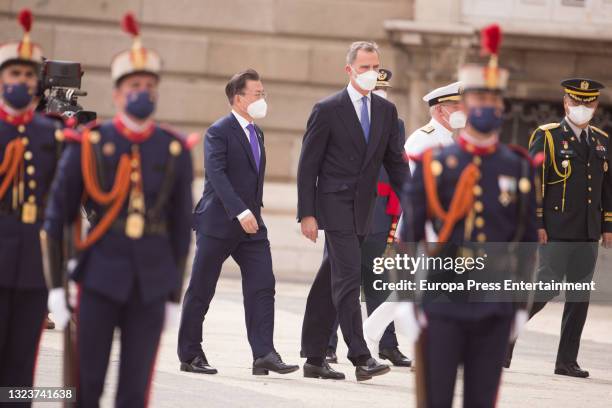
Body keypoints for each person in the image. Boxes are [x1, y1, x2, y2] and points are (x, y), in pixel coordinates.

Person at [43, 13, 194, 407]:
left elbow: (180, 229)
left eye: (148, 85)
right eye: (133, 85)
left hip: (150, 286)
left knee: (134, 390)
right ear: (116, 94)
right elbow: (59, 216)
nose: (141, 92)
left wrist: (174, 295)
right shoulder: (90, 144)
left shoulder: (173, 149)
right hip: (98, 281)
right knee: (85, 386)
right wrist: (57, 287)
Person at [401, 24, 537, 407]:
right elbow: (408, 237)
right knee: (436, 398)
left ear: (502, 107)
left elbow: (526, 245)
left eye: (493, 102)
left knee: (481, 399)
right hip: (441, 303)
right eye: (477, 101)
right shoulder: (435, 164)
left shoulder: (518, 167)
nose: (485, 109)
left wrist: (519, 307)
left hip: (494, 306)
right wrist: (406, 303)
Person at [297, 41, 409, 381]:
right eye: (364, 67)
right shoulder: (327, 109)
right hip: (333, 206)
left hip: (363, 208)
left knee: (328, 281)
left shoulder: (386, 112)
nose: (371, 73)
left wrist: (414, 203)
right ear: (349, 70)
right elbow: (307, 165)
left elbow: (396, 163)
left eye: (375, 67)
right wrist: (307, 213)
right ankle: (361, 356)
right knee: (347, 278)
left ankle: (314, 358)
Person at [178, 69, 298, 377]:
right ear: (238, 98)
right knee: (201, 289)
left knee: (263, 285)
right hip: (219, 222)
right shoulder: (219, 131)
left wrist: (252, 213)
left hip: (252, 226)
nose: (262, 99)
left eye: (263, 93)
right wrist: (239, 211)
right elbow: (216, 175)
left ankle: (264, 353)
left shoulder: (257, 132)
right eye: (257, 94)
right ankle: (190, 353)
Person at [505, 78, 612, 377]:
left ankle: (566, 360)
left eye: (588, 103)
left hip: (588, 231)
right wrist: (537, 222)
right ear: (565, 103)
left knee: (579, 297)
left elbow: (607, 189)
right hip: (556, 228)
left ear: (596, 105)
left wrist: (607, 225)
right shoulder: (548, 136)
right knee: (545, 288)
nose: (582, 107)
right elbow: (534, 183)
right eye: (576, 102)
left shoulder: (602, 140)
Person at [325, 69, 411, 367]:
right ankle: (327, 343)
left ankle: (387, 344)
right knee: (340, 280)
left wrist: (400, 211)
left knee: (381, 282)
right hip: (346, 210)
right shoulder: (339, 115)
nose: (380, 94)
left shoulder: (393, 122)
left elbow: (397, 166)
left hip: (381, 212)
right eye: (377, 88)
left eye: (384, 89)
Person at [0, 8, 65, 399]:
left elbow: (63, 206)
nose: (21, 81)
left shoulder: (54, 135)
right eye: (13, 74)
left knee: (22, 366)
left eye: (28, 75)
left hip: (33, 270)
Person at [404, 81, 464, 172]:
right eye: (456, 107)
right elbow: (413, 175)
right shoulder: (423, 138)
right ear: (439, 110)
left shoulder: (447, 137)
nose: (462, 112)